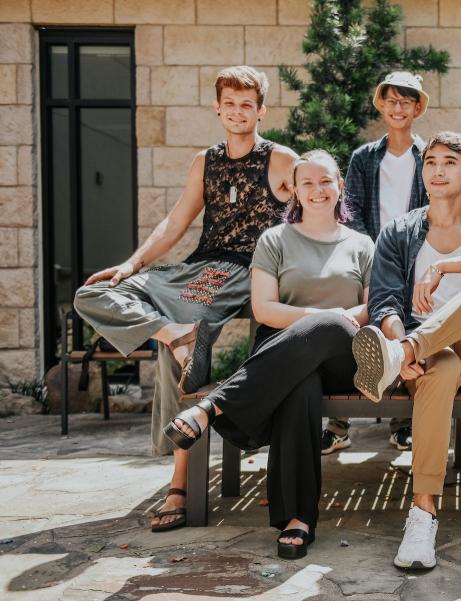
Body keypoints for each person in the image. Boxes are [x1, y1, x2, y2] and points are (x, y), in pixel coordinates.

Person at [73, 66, 298, 532]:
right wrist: (131, 265)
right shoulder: (205, 162)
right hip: (201, 268)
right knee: (94, 293)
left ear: (261, 110)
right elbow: (174, 224)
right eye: (230, 103)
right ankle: (172, 334)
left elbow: (311, 210)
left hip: (248, 269)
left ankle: (180, 483)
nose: (238, 112)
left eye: (247, 104)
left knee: (183, 340)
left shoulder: (279, 160)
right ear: (217, 107)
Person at [162, 150, 374, 559]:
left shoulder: (362, 244)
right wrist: (323, 315)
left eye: (325, 181)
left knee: (330, 327)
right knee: (300, 386)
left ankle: (211, 408)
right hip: (283, 358)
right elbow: (264, 309)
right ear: (293, 190)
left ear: (339, 186)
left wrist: (326, 320)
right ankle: (297, 519)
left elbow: (369, 309)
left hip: (345, 357)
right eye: (307, 183)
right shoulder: (274, 240)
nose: (317, 190)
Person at [350, 132, 461, 570]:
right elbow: (385, 300)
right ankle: (423, 513)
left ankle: (403, 354)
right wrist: (397, 337)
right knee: (439, 369)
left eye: (449, 161)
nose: (437, 169)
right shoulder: (399, 231)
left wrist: (446, 265)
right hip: (434, 357)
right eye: (430, 161)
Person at [323, 71, 432, 454]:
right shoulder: (364, 158)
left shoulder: (428, 157)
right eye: (391, 100)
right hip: (368, 254)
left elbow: (433, 211)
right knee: (354, 319)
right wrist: (375, 251)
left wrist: (406, 253)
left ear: (418, 107)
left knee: (406, 316)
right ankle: (338, 424)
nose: (398, 107)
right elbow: (349, 211)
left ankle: (403, 422)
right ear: (382, 105)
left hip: (415, 256)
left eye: (406, 100)